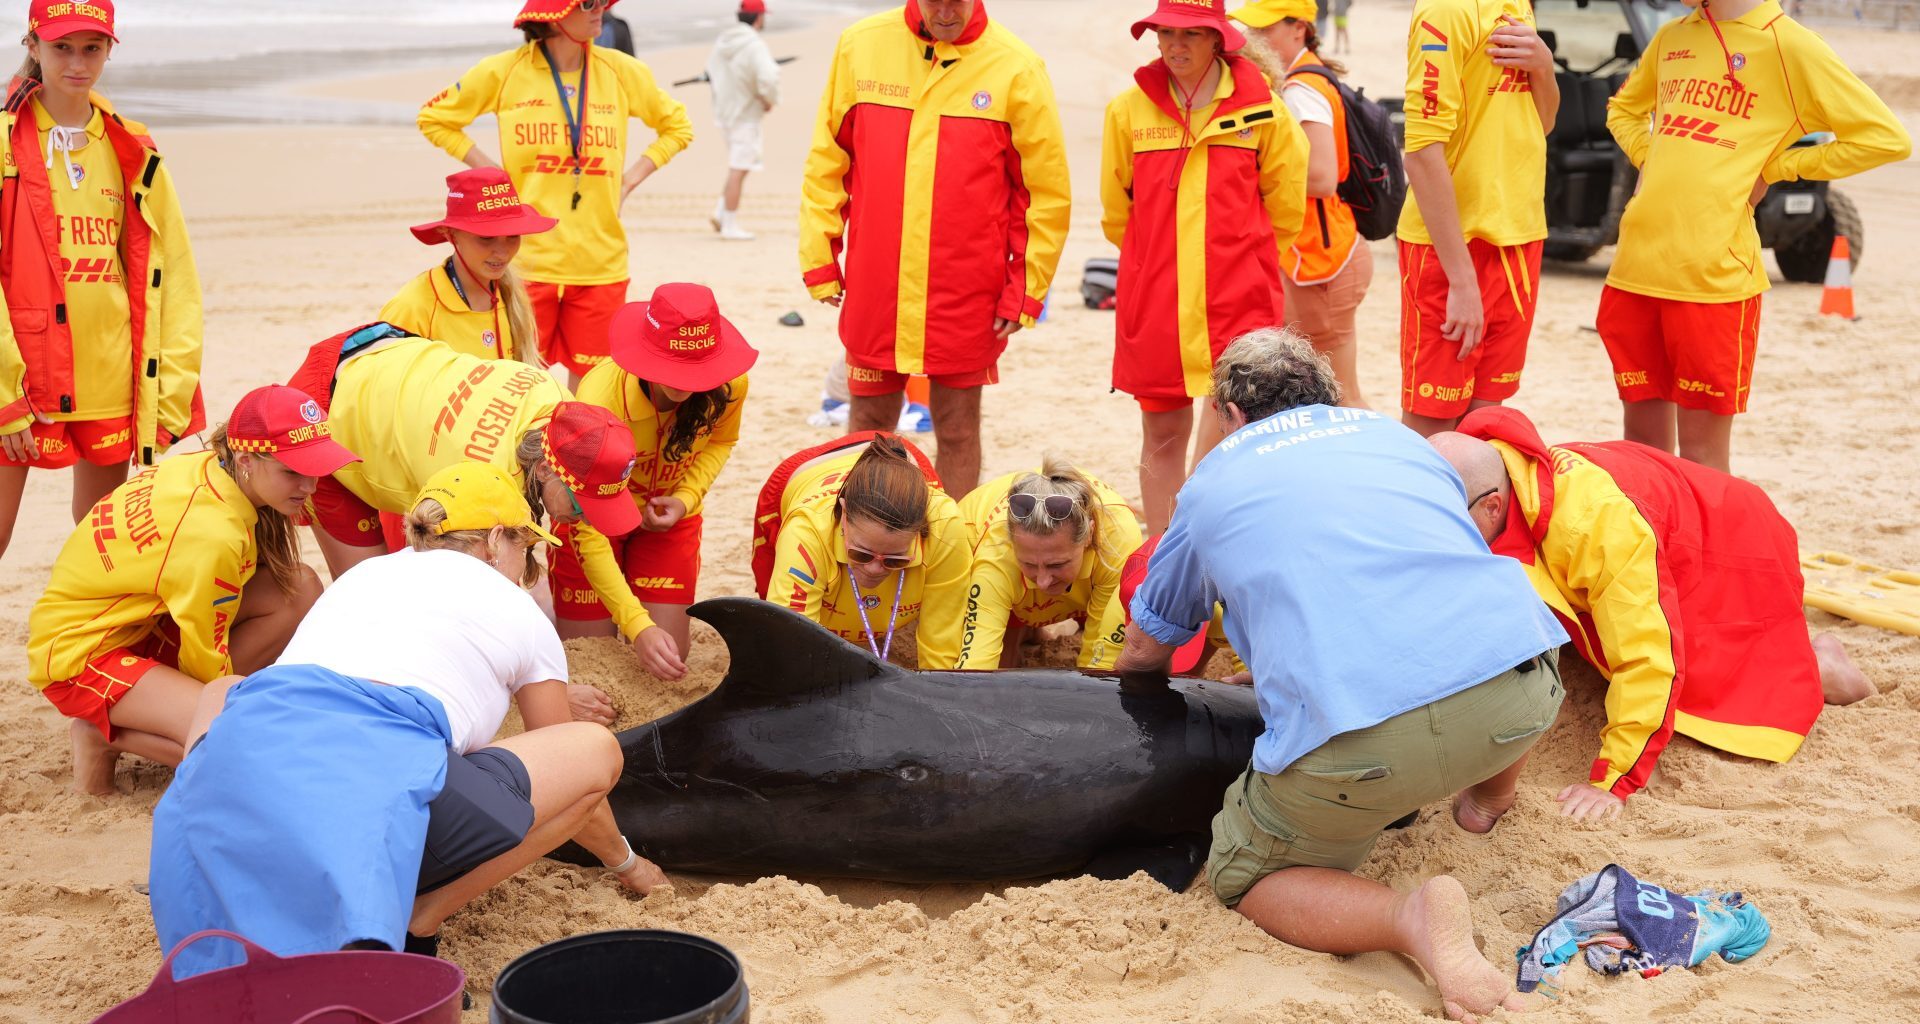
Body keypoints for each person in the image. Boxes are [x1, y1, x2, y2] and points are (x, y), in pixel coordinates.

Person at [1115, 326, 1566, 1023]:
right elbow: (1412, 582)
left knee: (1247, 875)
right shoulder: (1404, 444)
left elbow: (1149, 650)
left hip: (1370, 746)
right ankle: (1487, 800)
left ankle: (1409, 919)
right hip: (1526, 685)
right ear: (1327, 395)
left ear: (1229, 415)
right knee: (1482, 663)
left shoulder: (1212, 484)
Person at [150, 462, 667, 982]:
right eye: (523, 549)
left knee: (226, 691)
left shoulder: (364, 576)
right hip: (368, 780)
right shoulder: (519, 609)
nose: (523, 567)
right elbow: (570, 765)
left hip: (237, 791)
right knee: (595, 750)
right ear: (493, 540)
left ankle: (204, 801)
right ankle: (424, 915)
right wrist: (628, 864)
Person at [1431, 407, 1873, 822]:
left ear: (1491, 506)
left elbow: (1648, 657)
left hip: (1731, 552)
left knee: (1712, 687)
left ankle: (1822, 667)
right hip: (1676, 517)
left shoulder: (1594, 529)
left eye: (1448, 520)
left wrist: (1612, 782)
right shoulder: (1495, 471)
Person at [1597, 0, 1909, 472]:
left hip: (1713, 280)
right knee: (1641, 449)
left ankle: (1704, 549)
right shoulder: (1672, 37)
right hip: (1633, 271)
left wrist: (1778, 167)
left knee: (1700, 460)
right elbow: (1623, 109)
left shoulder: (1790, 44)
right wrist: (1653, 157)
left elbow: (1884, 138)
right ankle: (1652, 547)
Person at [286, 326, 682, 691]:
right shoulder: (483, 483)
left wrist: (636, 622)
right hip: (331, 409)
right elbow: (462, 600)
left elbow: (585, 537)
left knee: (519, 593)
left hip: (381, 354)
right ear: (544, 468)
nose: (583, 518)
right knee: (376, 603)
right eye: (581, 504)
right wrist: (550, 692)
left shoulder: (564, 415)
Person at [799, 0, 1071, 496]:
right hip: (877, 280)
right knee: (869, 420)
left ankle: (954, 541)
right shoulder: (860, 45)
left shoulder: (1017, 65)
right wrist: (820, 255)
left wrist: (1026, 288)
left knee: (958, 425)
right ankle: (864, 539)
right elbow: (827, 160)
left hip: (967, 285)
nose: (946, 10)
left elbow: (1043, 194)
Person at [26, 385, 352, 795]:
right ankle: (101, 734)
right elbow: (206, 661)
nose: (309, 486)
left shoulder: (211, 468)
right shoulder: (212, 533)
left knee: (299, 589)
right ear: (247, 460)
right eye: (293, 471)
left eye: (315, 469)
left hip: (136, 624)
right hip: (81, 654)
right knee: (234, 742)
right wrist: (227, 717)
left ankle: (152, 715)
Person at [0, 0, 205, 561]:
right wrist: (4, 391)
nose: (77, 62)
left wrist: (166, 393)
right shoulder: (4, 141)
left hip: (109, 368)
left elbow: (175, 273)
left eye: (92, 48)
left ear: (110, 49)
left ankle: (93, 642)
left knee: (103, 534)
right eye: (62, 47)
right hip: (21, 374)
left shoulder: (130, 145)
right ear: (33, 46)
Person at [1101, 0, 1309, 534]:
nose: (1174, 46)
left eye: (1190, 34)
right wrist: (1156, 264)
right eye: (1164, 34)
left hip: (1239, 299)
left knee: (1241, 427)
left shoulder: (1265, 109)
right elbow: (1116, 214)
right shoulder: (1127, 110)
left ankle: (1227, 545)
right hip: (1156, 300)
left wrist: (1238, 258)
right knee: (1162, 431)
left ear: (1218, 38)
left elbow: (1285, 210)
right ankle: (1166, 551)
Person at [418, 0, 693, 388]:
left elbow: (678, 127)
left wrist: (629, 180)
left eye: (603, 2)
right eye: (587, 3)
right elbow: (434, 119)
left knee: (594, 386)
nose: (600, 9)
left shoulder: (622, 71)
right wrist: (494, 172)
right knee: (524, 382)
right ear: (553, 14)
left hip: (600, 258)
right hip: (528, 257)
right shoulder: (504, 71)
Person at [555, 283, 756, 676]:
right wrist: (637, 624)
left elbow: (722, 441)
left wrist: (684, 497)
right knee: (589, 658)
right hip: (597, 518)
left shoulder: (731, 385)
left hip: (669, 520)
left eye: (696, 369)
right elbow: (587, 522)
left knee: (667, 660)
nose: (684, 381)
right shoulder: (599, 396)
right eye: (673, 367)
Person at [1395, 0, 1556, 437]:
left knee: (1482, 428)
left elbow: (1540, 123)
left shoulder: (1518, 5)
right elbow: (1421, 154)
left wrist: (1544, 67)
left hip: (1518, 238)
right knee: (1433, 432)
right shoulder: (1446, 9)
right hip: (1451, 247)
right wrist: (1462, 281)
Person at [1232, 0, 1372, 409]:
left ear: (1299, 28)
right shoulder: (1307, 77)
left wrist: (1251, 170)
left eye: (1266, 29)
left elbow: (1322, 176)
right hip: (1329, 252)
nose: (1255, 40)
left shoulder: (1299, 89)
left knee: (1340, 398)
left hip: (1319, 261)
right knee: (1338, 395)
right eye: (1252, 30)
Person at [752, 432, 970, 669]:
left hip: (901, 468)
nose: (875, 569)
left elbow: (942, 645)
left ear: (920, 529)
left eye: (895, 561)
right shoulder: (805, 534)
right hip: (801, 476)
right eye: (862, 554)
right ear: (843, 514)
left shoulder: (945, 525)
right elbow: (792, 650)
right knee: (773, 622)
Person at [953, 459, 1143, 670]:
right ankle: (1027, 627)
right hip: (1006, 591)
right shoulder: (996, 554)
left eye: (1056, 564)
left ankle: (1035, 622)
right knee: (1005, 667)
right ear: (1011, 543)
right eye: (1029, 564)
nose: (1043, 581)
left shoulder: (1118, 539)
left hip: (1092, 581)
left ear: (1089, 534)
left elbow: (1103, 656)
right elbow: (975, 665)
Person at [381, 168, 555, 363]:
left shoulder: (512, 294)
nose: (503, 252)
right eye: (486, 237)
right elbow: (383, 385)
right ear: (451, 234)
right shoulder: (413, 307)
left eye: (513, 236)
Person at [707, 0, 781, 241]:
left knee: (739, 165)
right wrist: (767, 99)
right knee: (739, 168)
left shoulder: (722, 41)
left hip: (724, 113)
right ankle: (729, 224)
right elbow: (768, 77)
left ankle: (721, 210)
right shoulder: (755, 45)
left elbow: (712, 72)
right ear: (759, 17)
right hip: (745, 115)